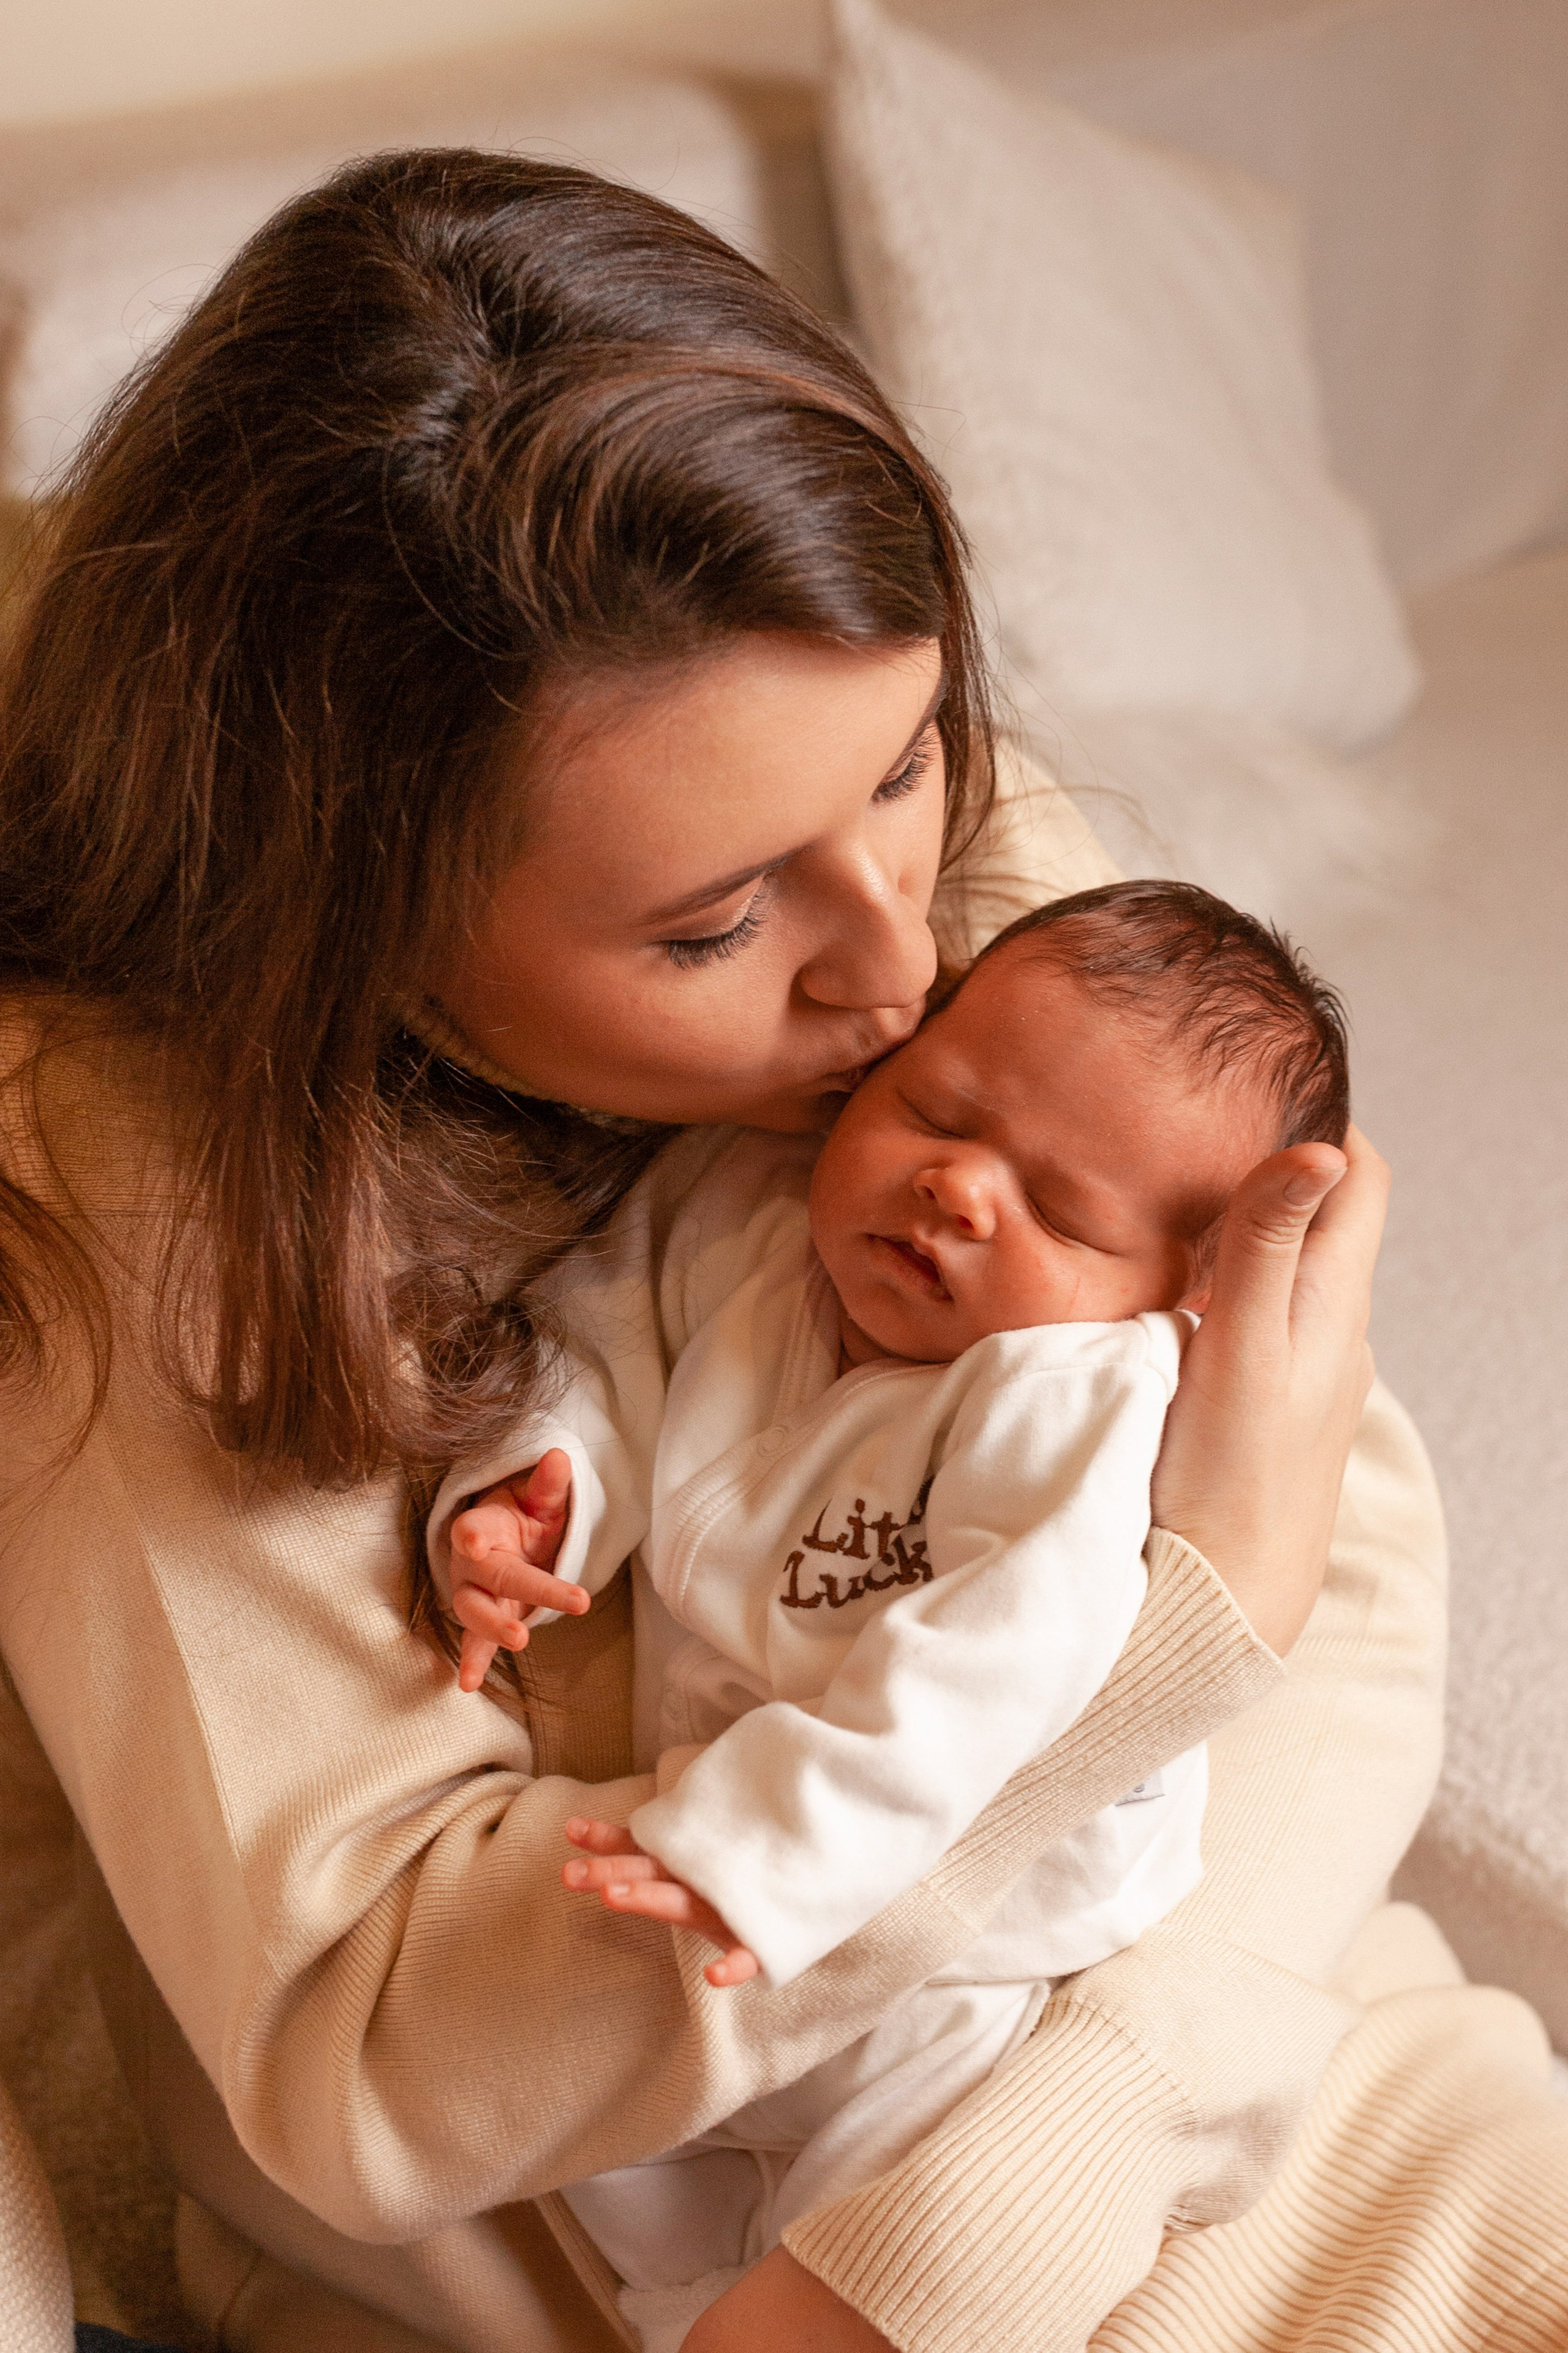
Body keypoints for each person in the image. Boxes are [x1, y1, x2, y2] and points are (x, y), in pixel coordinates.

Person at [0, 146, 1558, 2353]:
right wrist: (1150, 1651)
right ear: (345, 913)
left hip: (1242, 2099)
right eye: (714, 926)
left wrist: (1061, 2157)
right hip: (639, 2283)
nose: (899, 970)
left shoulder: (882, 821)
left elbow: (1350, 1562)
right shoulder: (137, 1179)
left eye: (918, 766)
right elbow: (381, 2037)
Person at [430, 882, 1349, 2352]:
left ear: (1170, 1297)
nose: (959, 1190)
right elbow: (606, 1352)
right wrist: (541, 1499)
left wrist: (781, 1841)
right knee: (626, 2175)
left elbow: (1004, 1652)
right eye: (937, 1110)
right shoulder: (746, 1232)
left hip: (972, 1928)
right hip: (724, 1865)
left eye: (1058, 1208)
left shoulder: (1067, 1393)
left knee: (888, 2230)